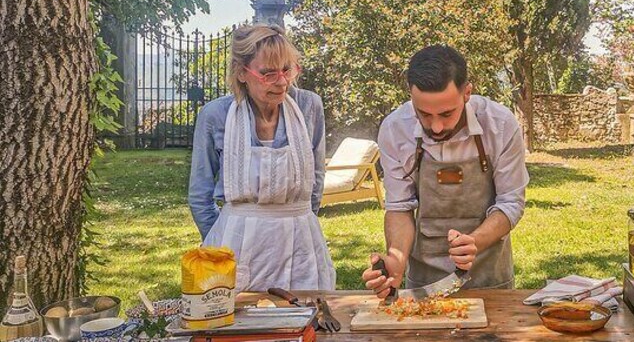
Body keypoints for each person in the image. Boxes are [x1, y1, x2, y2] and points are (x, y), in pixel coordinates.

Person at [362, 45, 529, 298]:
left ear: (467, 93)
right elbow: (399, 206)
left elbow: (510, 203)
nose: (436, 127)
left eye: (446, 113)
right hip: (424, 277)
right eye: (424, 114)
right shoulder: (395, 129)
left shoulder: (500, 124)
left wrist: (476, 242)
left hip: (489, 271)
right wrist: (396, 257)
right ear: (411, 96)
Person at [188, 23, 335, 291]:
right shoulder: (215, 116)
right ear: (242, 73)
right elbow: (200, 194)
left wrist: (298, 223)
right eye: (268, 73)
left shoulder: (308, 106)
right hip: (237, 245)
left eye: (287, 70)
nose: (281, 82)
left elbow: (315, 180)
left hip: (300, 245)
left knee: (305, 321)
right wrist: (221, 243)